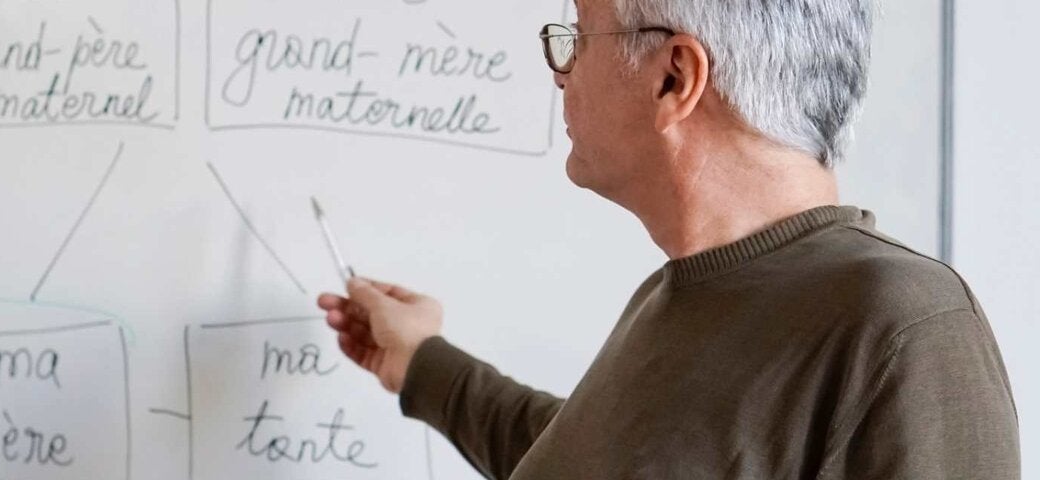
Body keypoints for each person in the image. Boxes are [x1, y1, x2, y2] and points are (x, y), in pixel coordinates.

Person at [316, 0, 1021, 478]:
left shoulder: (907, 325)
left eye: (578, 38)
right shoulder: (674, 295)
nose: (561, 74)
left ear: (674, 78)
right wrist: (424, 364)